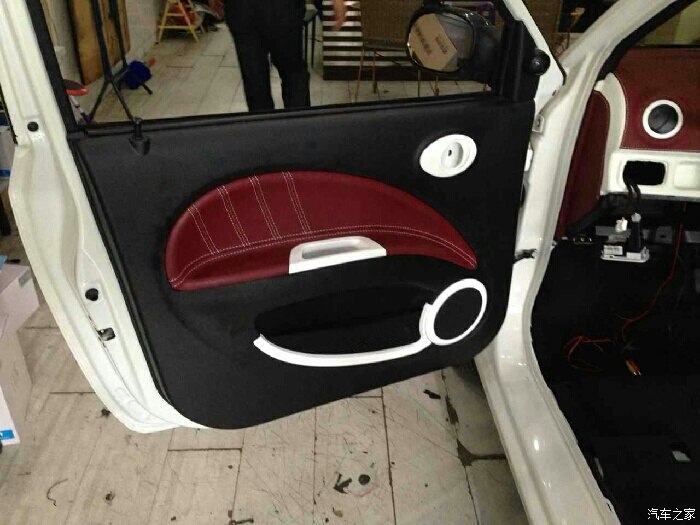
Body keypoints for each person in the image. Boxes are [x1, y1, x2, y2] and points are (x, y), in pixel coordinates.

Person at [225, 0, 346, 112]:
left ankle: (263, 125)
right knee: (292, 76)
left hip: (242, 10)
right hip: (281, 9)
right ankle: (297, 124)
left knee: (254, 78)